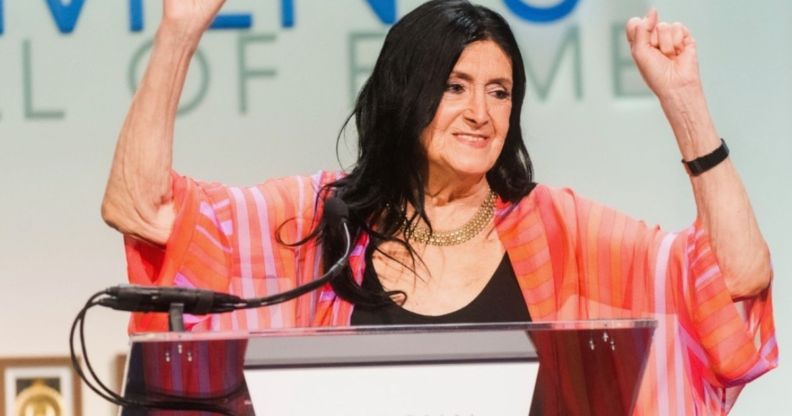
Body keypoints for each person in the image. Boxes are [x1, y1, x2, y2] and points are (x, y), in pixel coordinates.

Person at [101, 0, 776, 414]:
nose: (481, 114)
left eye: (500, 92)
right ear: (407, 95)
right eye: (455, 87)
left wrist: (685, 105)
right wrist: (178, 33)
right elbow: (141, 208)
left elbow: (735, 283)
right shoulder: (312, 224)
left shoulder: (561, 232)